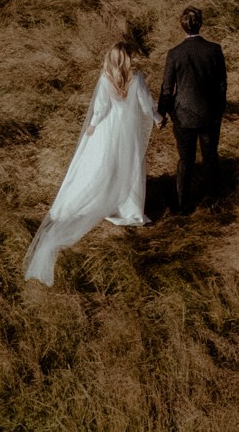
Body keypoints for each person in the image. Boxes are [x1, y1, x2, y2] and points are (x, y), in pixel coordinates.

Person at [23, 41, 155, 287]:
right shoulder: (136, 77)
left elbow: (101, 108)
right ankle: (127, 207)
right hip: (128, 132)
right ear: (127, 59)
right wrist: (157, 119)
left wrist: (93, 126)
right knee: (128, 168)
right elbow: (146, 105)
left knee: (102, 166)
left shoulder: (106, 79)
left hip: (108, 130)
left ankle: (101, 198)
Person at [156, 6, 227, 212]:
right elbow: (222, 83)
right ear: (201, 23)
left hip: (183, 117)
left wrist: (161, 113)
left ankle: (182, 205)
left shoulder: (175, 54)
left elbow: (167, 89)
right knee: (210, 157)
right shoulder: (214, 50)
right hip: (210, 115)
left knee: (186, 161)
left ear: (182, 25)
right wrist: (219, 109)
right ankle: (215, 202)